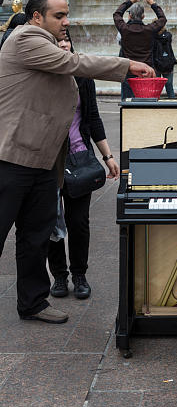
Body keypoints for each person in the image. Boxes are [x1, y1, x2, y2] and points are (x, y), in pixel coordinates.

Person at [0, 0, 154, 324]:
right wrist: (127, 65)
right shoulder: (26, 37)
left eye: (67, 14)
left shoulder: (48, 44)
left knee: (36, 236)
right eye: (59, 15)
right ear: (37, 16)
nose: (66, 21)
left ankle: (33, 303)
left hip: (43, 161)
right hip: (11, 158)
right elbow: (75, 63)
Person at [47, 31, 120, 300]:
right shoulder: (41, 77)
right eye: (58, 46)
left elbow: (93, 118)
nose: (65, 50)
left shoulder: (83, 77)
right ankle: (59, 276)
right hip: (48, 162)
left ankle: (79, 274)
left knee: (78, 222)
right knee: (51, 222)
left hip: (79, 157)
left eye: (68, 46)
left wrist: (108, 156)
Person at [113, 0, 167, 99]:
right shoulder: (149, 30)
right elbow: (162, 19)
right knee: (146, 100)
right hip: (145, 70)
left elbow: (117, 14)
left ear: (130, 16)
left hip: (128, 69)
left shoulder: (125, 29)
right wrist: (152, 3)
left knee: (127, 101)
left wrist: (130, 1)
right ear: (143, 16)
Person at [153, 26, 177, 99]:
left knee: (156, 88)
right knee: (169, 86)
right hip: (168, 63)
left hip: (155, 63)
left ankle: (155, 104)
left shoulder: (152, 36)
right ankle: (173, 104)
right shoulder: (168, 35)